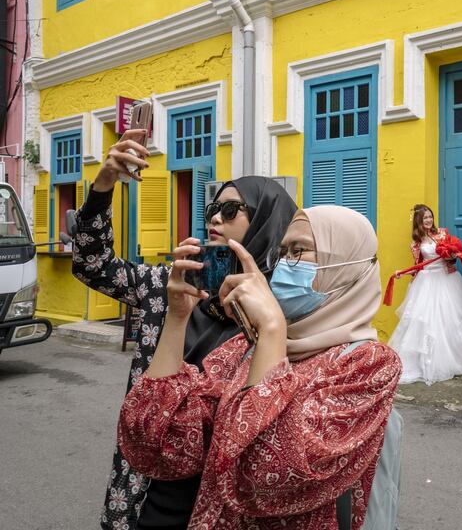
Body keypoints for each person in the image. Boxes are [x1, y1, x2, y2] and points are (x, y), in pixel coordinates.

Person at [116, 205, 401, 529]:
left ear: (350, 268)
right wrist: (177, 318)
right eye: (282, 253)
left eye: (299, 250)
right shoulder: (245, 346)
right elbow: (157, 440)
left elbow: (262, 474)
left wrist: (271, 331)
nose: (283, 266)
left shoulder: (368, 365)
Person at [71, 128, 297, 529]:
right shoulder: (171, 286)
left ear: (265, 221)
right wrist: (104, 184)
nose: (214, 218)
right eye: (213, 208)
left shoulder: (282, 314)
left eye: (231, 210)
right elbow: (92, 263)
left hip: (227, 500)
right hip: (150, 490)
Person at [388, 204, 462, 384]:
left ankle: (453, 359)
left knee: (449, 319)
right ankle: (422, 363)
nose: (428, 220)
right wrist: (404, 274)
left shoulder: (443, 234)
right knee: (423, 322)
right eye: (425, 218)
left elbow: (453, 256)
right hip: (426, 281)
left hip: (445, 279)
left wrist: (450, 253)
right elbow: (418, 263)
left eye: (430, 216)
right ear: (418, 221)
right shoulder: (415, 243)